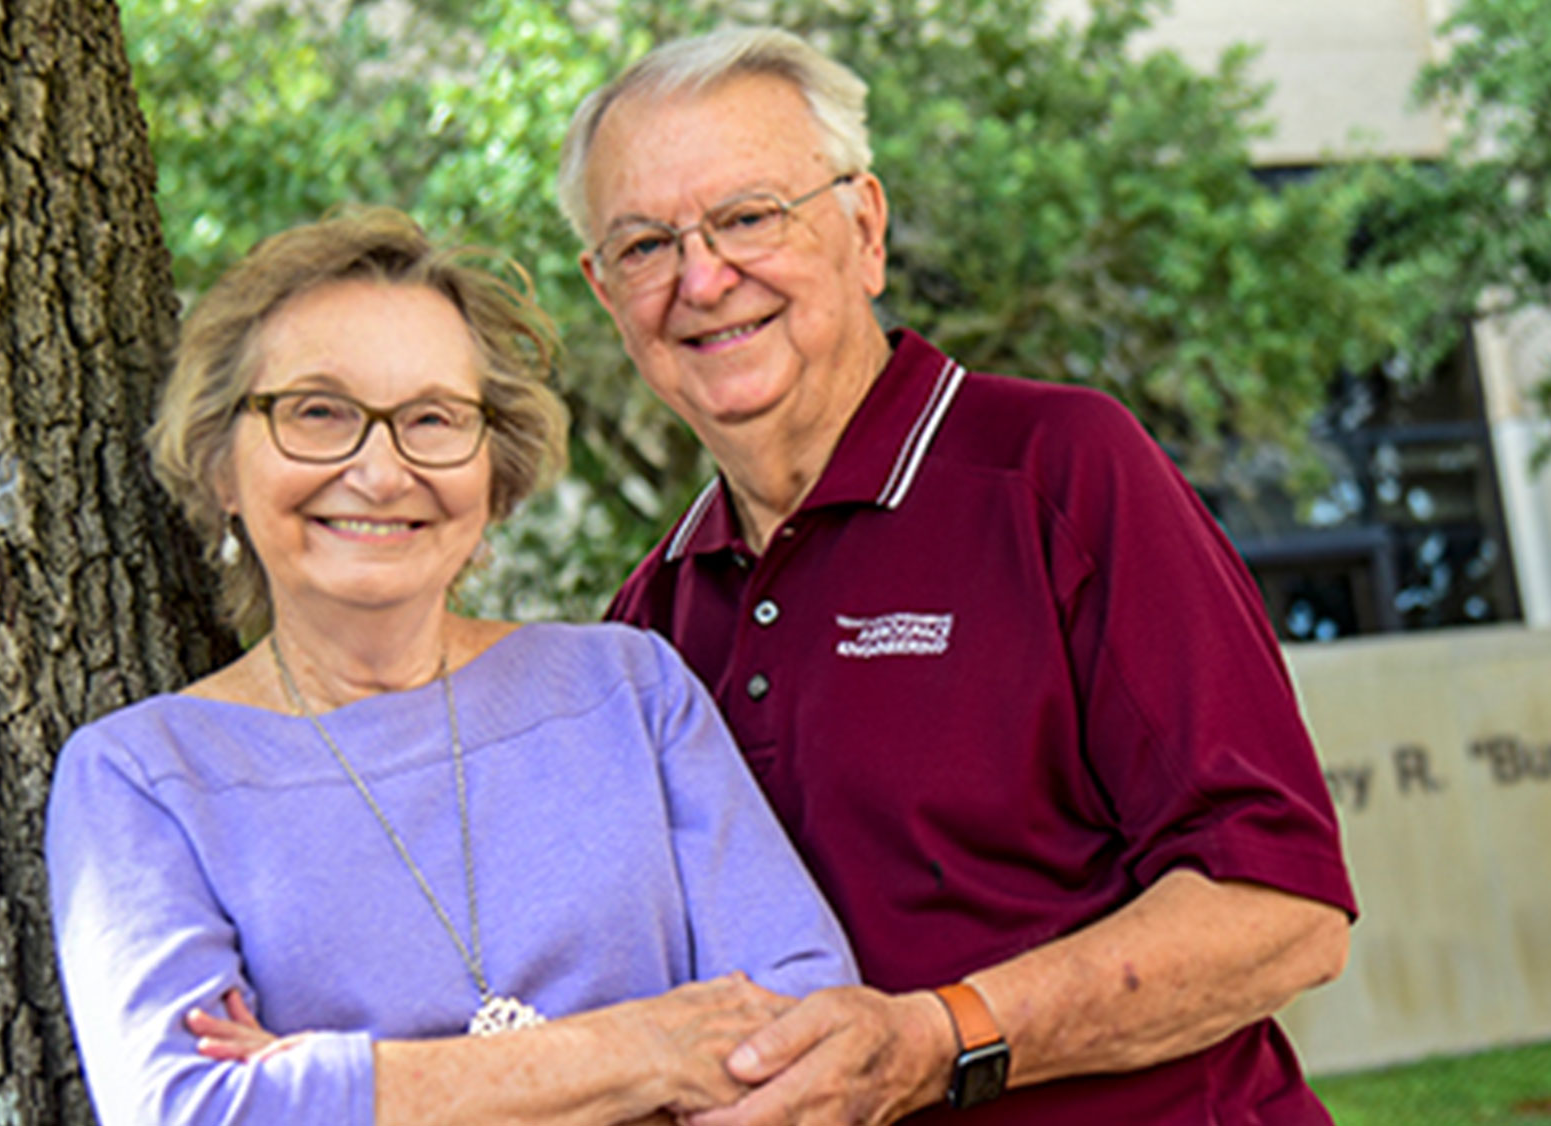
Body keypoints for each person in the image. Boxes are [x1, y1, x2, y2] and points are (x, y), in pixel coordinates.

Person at [557, 26, 1358, 1126]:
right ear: (606, 295)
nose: (702, 278)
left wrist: (940, 1038)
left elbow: (1278, 909)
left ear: (864, 229)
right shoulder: (648, 627)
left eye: (748, 217)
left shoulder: (1059, 473)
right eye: (646, 244)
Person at [42, 207, 858, 1126]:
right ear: (222, 465)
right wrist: (651, 1049)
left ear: (492, 465)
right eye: (317, 412)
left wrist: (328, 1080)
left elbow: (808, 1039)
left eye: (433, 418)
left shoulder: (630, 691)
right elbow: (193, 1111)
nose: (382, 472)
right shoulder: (141, 778)